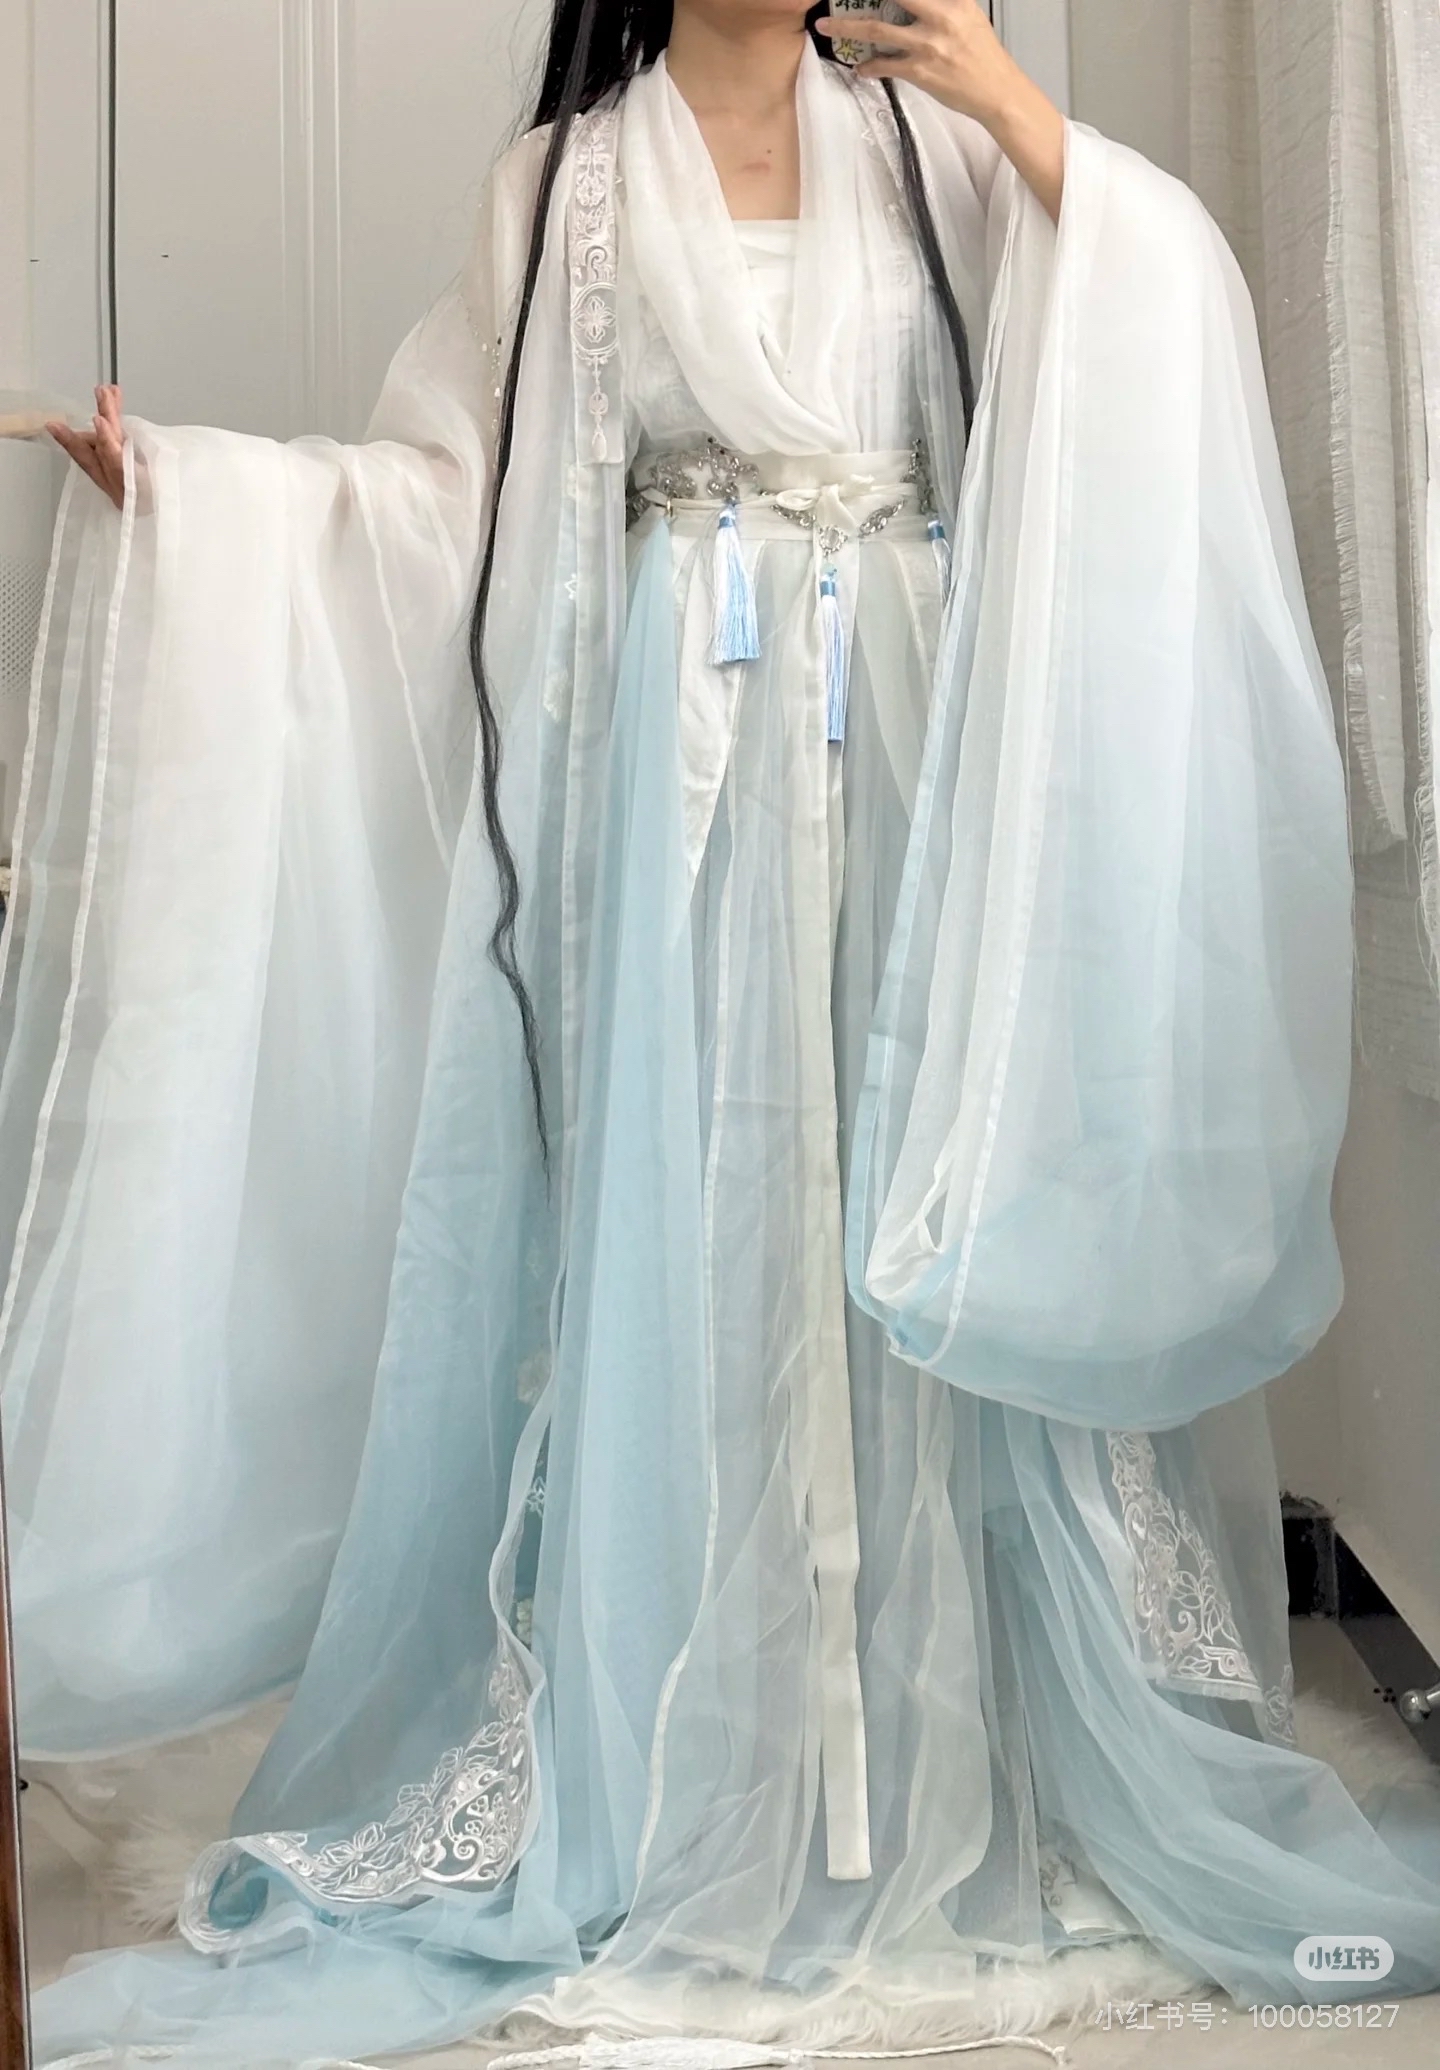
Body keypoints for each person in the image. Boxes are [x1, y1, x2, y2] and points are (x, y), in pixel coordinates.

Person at [6, 3, 1438, 2065]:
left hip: (917, 765)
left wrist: (1010, 99)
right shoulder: (562, 189)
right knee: (706, 1239)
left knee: (904, 1221)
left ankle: (951, 1748)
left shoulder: (943, 155)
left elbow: (1142, 323)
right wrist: (200, 497)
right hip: (680, 809)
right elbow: (443, 502)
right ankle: (706, 1757)